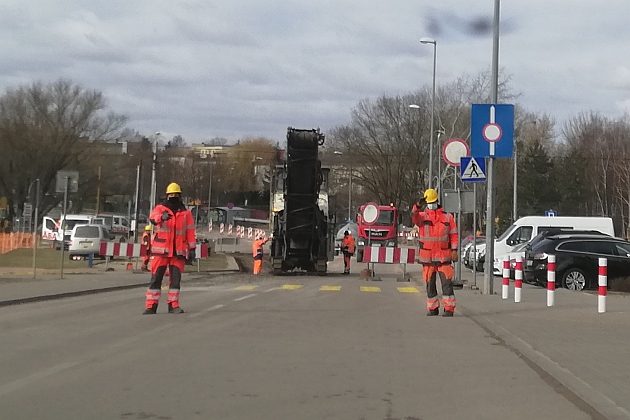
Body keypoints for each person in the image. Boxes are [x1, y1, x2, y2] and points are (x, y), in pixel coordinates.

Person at [143, 182, 196, 315]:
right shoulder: (160, 208)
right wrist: (162, 217)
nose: (173, 197)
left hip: (178, 252)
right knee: (156, 279)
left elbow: (190, 232)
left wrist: (192, 249)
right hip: (161, 252)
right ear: (167, 196)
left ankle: (173, 305)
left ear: (179, 195)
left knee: (175, 281)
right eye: (171, 195)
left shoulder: (186, 213)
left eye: (175, 194)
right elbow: (152, 218)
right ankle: (151, 306)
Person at [411, 188, 458, 317]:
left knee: (447, 284)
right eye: (429, 202)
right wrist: (417, 206)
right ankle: (433, 308)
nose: (432, 204)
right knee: (429, 285)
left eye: (433, 202)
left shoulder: (448, 217)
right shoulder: (421, 217)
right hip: (428, 258)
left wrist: (454, 250)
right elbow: (414, 216)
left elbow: (454, 235)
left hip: (444, 257)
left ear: (437, 201)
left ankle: (449, 308)